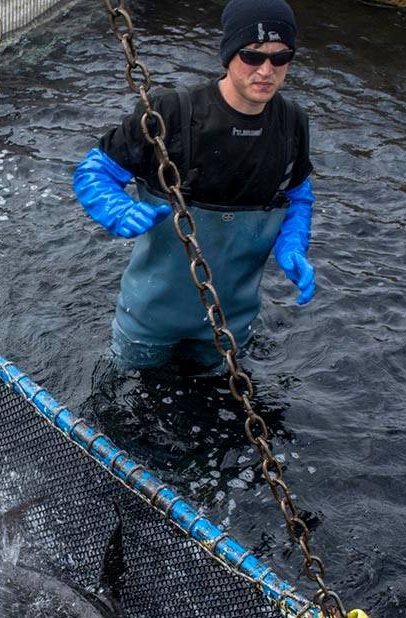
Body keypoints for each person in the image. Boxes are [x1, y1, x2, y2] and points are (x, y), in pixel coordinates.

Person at [74, 0, 317, 371]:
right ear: (228, 54)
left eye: (280, 57)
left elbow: (298, 195)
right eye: (252, 57)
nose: (266, 70)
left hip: (229, 326)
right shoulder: (170, 113)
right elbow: (95, 172)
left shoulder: (292, 124)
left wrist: (293, 244)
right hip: (148, 322)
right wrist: (117, 209)